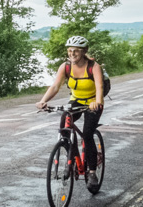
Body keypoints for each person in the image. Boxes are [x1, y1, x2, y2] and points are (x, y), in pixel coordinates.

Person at [36, 35, 104, 192]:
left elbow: (99, 87)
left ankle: (92, 172)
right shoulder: (65, 67)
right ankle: (69, 155)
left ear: (84, 51)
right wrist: (43, 100)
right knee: (64, 122)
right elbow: (55, 86)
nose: (72, 54)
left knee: (87, 134)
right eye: (70, 51)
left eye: (76, 51)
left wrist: (97, 102)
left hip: (93, 101)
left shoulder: (94, 67)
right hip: (76, 100)